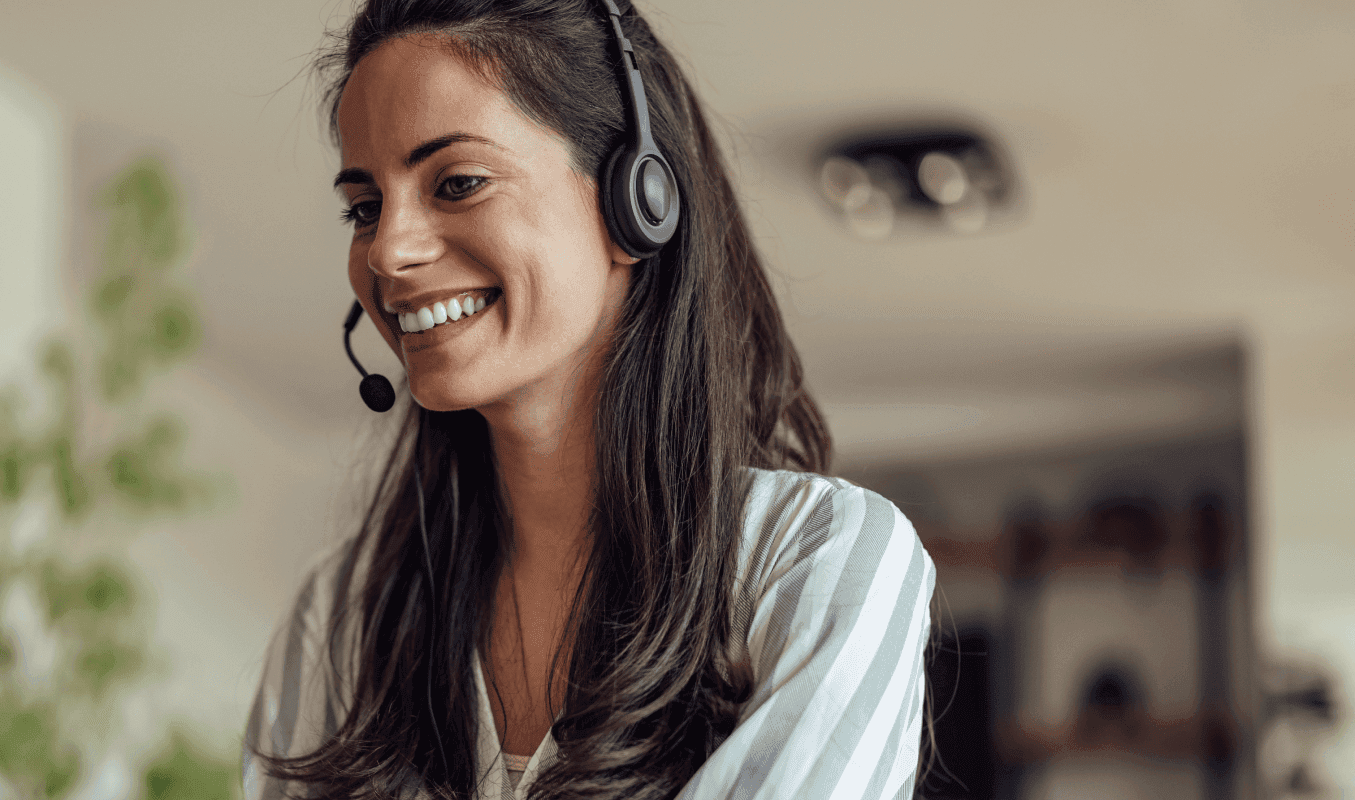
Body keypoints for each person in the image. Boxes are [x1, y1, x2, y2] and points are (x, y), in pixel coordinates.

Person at [243, 0, 936, 797]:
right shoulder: (339, 617)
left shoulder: (821, 561)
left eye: (458, 182)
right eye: (365, 207)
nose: (389, 250)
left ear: (635, 200)